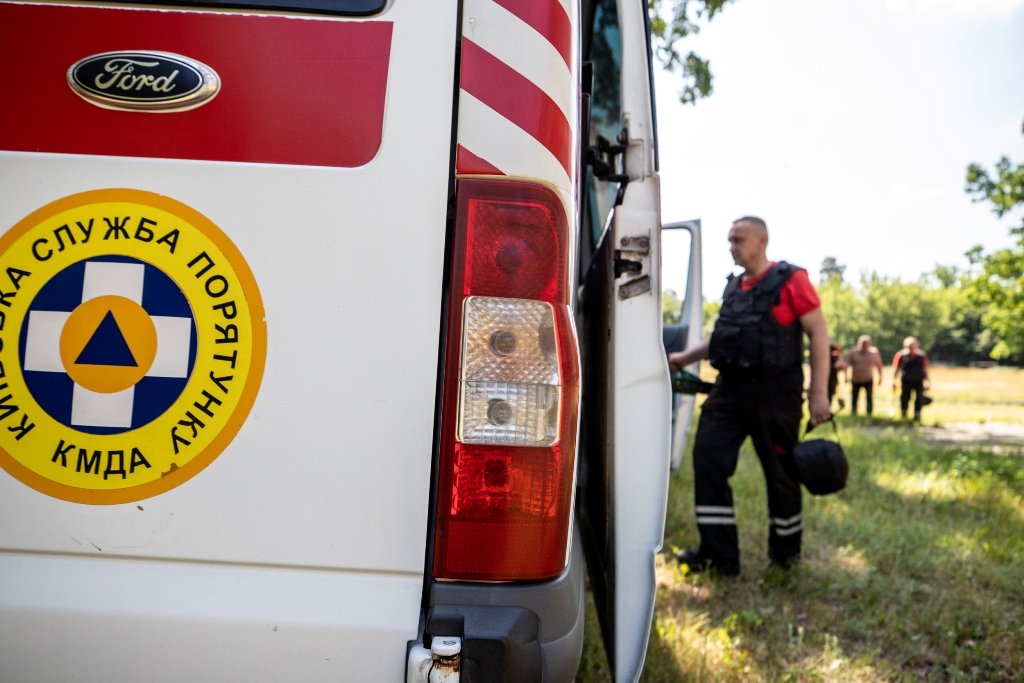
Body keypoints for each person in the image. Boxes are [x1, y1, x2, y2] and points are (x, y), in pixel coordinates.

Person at [667, 216, 831, 576]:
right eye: (729, 240)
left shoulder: (791, 280)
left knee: (781, 474)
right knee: (707, 460)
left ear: (762, 240)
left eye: (739, 239)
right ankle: (719, 556)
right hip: (728, 392)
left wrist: (819, 393)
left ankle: (785, 557)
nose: (732, 246)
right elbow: (722, 339)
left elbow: (819, 334)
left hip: (777, 394)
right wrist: (682, 358)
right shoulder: (733, 287)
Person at [892, 336, 930, 421]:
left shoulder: (922, 355)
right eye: (909, 346)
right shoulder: (901, 355)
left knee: (919, 399)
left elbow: (926, 369)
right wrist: (894, 381)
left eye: (913, 346)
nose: (911, 348)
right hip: (906, 381)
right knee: (905, 398)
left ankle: (917, 416)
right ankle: (904, 414)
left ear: (917, 346)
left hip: (918, 381)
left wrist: (928, 382)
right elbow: (896, 369)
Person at [846, 334, 884, 416]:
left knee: (869, 397)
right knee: (854, 397)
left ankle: (869, 413)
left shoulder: (874, 353)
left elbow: (879, 366)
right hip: (856, 379)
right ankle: (854, 412)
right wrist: (846, 376)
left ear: (870, 344)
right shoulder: (853, 352)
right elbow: (847, 365)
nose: (864, 346)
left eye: (866, 344)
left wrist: (880, 378)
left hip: (868, 379)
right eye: (862, 344)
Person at [828, 342, 847, 412]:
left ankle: (827, 409)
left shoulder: (834, 350)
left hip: (832, 379)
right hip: (827, 379)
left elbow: (841, 365)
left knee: (830, 394)